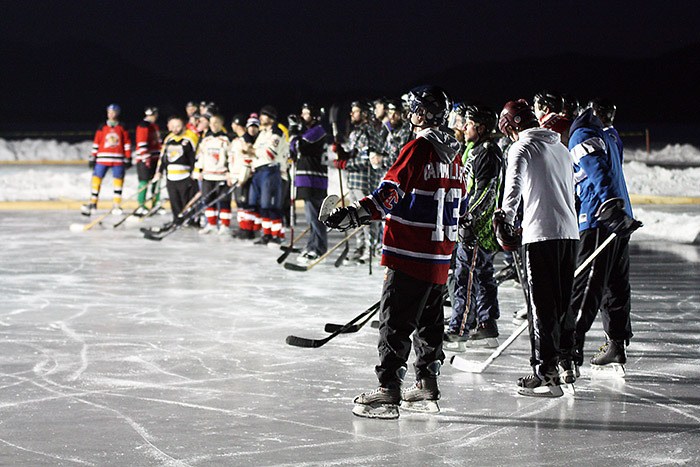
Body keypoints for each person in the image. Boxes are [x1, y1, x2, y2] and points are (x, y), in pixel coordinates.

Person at [324, 85, 466, 419]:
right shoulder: (456, 155)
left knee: (395, 322)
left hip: (410, 251)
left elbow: (390, 192)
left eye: (414, 108)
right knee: (430, 321)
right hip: (440, 254)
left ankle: (388, 391)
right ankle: (427, 384)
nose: (411, 114)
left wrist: (353, 215)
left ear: (422, 114)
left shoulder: (418, 147)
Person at [495, 99, 579, 397]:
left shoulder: (521, 148)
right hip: (570, 233)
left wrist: (504, 218)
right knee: (562, 303)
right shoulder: (561, 148)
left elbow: (513, 186)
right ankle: (568, 363)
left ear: (511, 126)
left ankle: (545, 373)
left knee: (541, 306)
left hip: (540, 235)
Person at [567, 101, 642, 374]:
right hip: (618, 220)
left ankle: (567, 351)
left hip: (599, 219)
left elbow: (598, 172)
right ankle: (616, 344)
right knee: (615, 285)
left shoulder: (582, 135)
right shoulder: (609, 135)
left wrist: (609, 205)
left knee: (587, 286)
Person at [445, 104, 504, 348]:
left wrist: (467, 219)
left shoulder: (487, 153)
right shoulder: (474, 150)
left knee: (465, 277)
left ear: (480, 127)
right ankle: (486, 324)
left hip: (477, 229)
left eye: (468, 124)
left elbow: (486, 192)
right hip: (474, 226)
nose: (464, 127)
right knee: (480, 275)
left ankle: (460, 328)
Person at [331, 101, 377, 263]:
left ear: (364, 114)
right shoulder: (355, 133)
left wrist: (345, 164)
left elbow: (366, 161)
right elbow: (353, 154)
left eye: (356, 111)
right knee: (354, 216)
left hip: (364, 181)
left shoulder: (368, 133)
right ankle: (360, 246)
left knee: (365, 216)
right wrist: (342, 153)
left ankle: (370, 248)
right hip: (353, 181)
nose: (352, 114)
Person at [289, 103, 329, 263]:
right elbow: (292, 149)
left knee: (315, 216)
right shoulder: (308, 131)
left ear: (315, 116)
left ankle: (318, 248)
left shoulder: (317, 131)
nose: (303, 116)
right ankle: (313, 245)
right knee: (310, 216)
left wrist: (293, 131)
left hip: (314, 179)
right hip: (307, 178)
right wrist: (295, 132)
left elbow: (299, 146)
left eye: (306, 113)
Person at [81, 104, 132, 216]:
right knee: (96, 179)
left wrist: (128, 157)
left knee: (118, 181)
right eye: (109, 112)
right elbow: (97, 141)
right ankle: (93, 203)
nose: (111, 114)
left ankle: (116, 204)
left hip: (118, 159)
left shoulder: (122, 127)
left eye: (113, 112)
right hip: (102, 158)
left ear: (117, 113)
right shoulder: (102, 126)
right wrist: (93, 156)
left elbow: (126, 142)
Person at [250, 105, 289, 244]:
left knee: (272, 205)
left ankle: (277, 235)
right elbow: (254, 150)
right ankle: (266, 234)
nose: (261, 117)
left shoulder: (276, 132)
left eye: (264, 115)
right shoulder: (263, 133)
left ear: (271, 118)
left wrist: (252, 152)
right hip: (260, 170)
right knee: (263, 205)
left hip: (271, 170)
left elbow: (270, 154)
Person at [153, 115, 199, 222]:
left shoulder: (191, 137)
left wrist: (195, 172)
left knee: (187, 201)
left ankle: (190, 220)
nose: (175, 129)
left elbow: (196, 156)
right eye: (172, 126)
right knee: (174, 201)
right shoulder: (169, 139)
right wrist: (159, 171)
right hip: (171, 178)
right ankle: (177, 221)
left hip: (186, 177)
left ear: (183, 125)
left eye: (178, 126)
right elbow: (163, 157)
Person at [195, 114, 233, 234]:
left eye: (216, 122)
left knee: (224, 200)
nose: (213, 125)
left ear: (221, 124)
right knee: (208, 199)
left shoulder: (226, 140)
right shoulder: (206, 140)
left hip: (222, 175)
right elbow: (201, 156)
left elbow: (231, 157)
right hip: (208, 175)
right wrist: (199, 170)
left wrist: (229, 173)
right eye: (211, 123)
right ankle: (211, 224)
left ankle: (225, 225)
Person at [134, 106, 162, 216]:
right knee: (144, 182)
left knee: (156, 181)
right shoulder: (143, 126)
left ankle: (156, 203)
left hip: (155, 158)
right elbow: (142, 143)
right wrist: (145, 158)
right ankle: (141, 204)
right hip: (145, 159)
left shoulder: (154, 126)